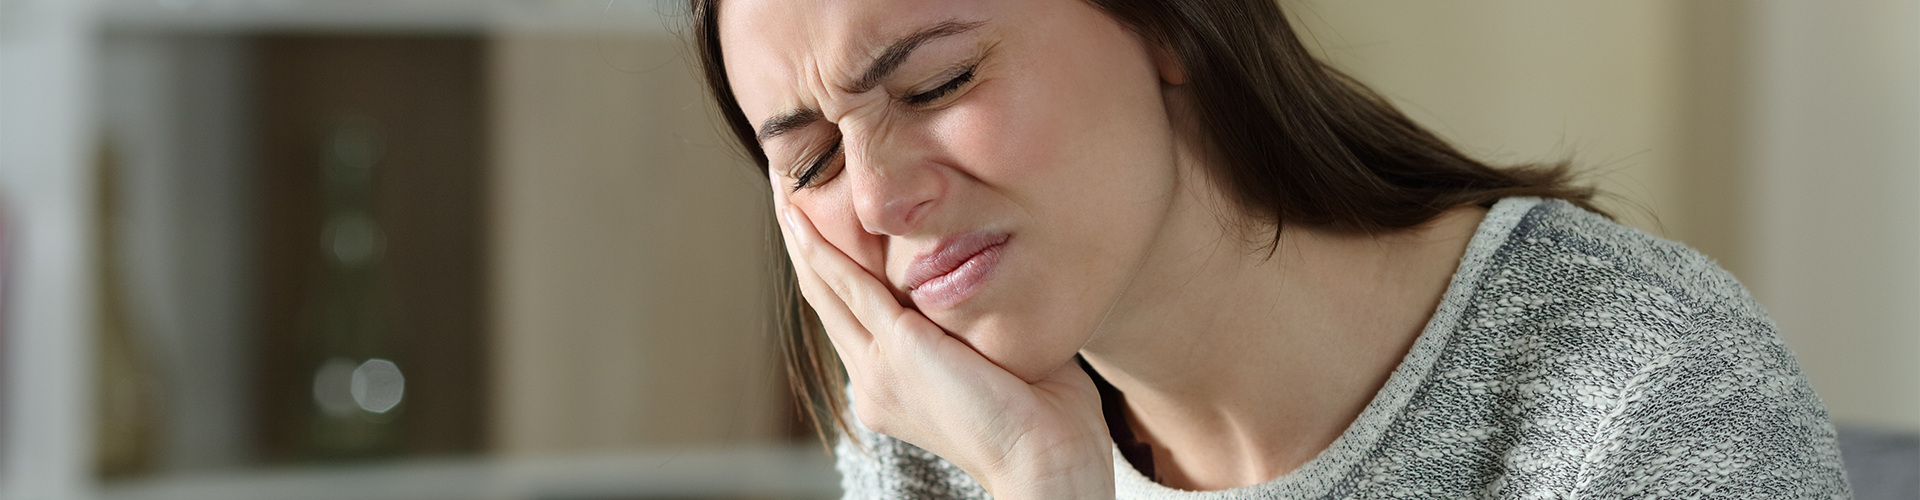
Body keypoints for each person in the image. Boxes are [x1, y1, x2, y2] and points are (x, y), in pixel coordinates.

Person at [687, 0, 1854, 498]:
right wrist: (1033, 473)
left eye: (938, 83)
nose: (880, 197)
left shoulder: (1646, 394)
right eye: (813, 159)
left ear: (1164, 23)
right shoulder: (945, 439)